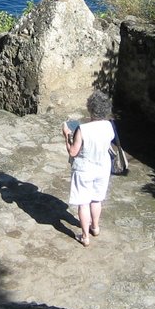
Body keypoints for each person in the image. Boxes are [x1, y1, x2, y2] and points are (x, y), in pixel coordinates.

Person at [62, 90, 116, 246]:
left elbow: (73, 151)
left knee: (83, 203)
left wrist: (66, 135)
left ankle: (85, 237)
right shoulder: (109, 126)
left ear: (90, 108)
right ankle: (95, 227)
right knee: (96, 199)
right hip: (103, 167)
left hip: (85, 169)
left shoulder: (83, 129)